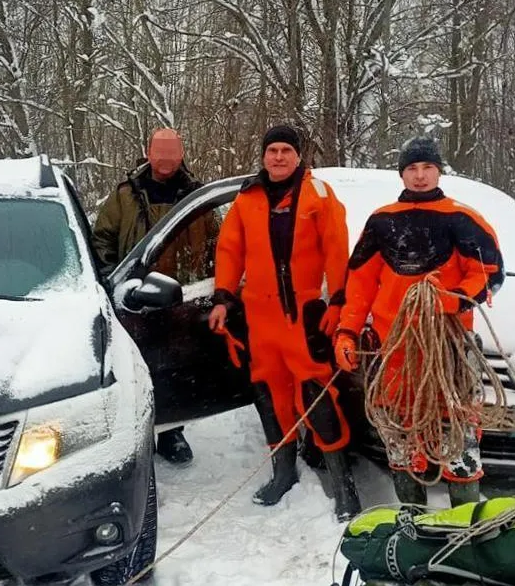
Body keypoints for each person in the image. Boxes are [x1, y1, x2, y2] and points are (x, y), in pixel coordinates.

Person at [333, 136, 504, 507]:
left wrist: (451, 299)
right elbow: (359, 282)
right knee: (400, 437)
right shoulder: (381, 221)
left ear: (438, 170)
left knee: (456, 434)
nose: (420, 176)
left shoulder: (464, 219)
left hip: (447, 348)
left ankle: (465, 520)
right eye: (412, 168)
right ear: (402, 174)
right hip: (391, 348)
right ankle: (414, 517)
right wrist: (347, 331)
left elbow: (489, 273)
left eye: (427, 167)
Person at [207, 125, 361, 521]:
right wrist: (224, 296)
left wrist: (338, 300)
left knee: (317, 394)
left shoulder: (319, 195)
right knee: (271, 397)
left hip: (304, 314)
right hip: (260, 318)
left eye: (285, 151)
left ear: (298, 157)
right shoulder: (248, 198)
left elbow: (336, 249)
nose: (278, 157)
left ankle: (344, 487)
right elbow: (230, 250)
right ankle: (283, 472)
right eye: (271, 150)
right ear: (263, 156)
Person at [92, 128, 207, 465]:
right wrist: (113, 281)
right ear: (148, 153)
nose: (166, 161)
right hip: (137, 298)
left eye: (172, 153)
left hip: (182, 296)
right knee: (139, 367)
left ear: (181, 154)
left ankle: (172, 432)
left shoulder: (196, 195)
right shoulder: (126, 196)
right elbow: (103, 240)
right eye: (160, 153)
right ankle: (139, 431)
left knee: (179, 366)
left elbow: (217, 241)